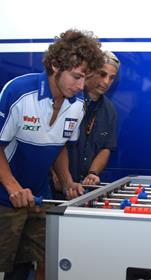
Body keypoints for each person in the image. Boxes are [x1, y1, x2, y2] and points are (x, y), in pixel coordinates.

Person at [0, 29, 103, 280]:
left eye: (85, 78)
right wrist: (13, 186)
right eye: (76, 77)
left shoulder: (77, 105)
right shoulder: (19, 93)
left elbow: (60, 146)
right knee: (5, 265)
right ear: (56, 65)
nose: (80, 86)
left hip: (38, 196)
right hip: (4, 197)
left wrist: (66, 180)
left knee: (34, 261)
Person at [67, 50, 119, 186]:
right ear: (89, 72)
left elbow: (106, 148)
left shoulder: (109, 110)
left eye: (112, 77)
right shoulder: (68, 99)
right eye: (102, 74)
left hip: (83, 187)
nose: (106, 82)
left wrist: (93, 173)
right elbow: (53, 143)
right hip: (56, 184)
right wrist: (61, 177)